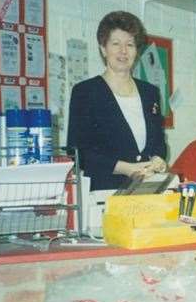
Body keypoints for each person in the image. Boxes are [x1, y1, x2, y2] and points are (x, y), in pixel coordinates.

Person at [68, 11, 167, 191]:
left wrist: (157, 160)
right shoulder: (86, 92)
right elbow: (78, 153)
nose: (123, 51)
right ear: (103, 48)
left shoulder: (150, 93)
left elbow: (159, 143)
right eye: (116, 44)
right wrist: (127, 169)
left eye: (130, 44)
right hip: (104, 194)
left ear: (136, 50)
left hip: (146, 191)